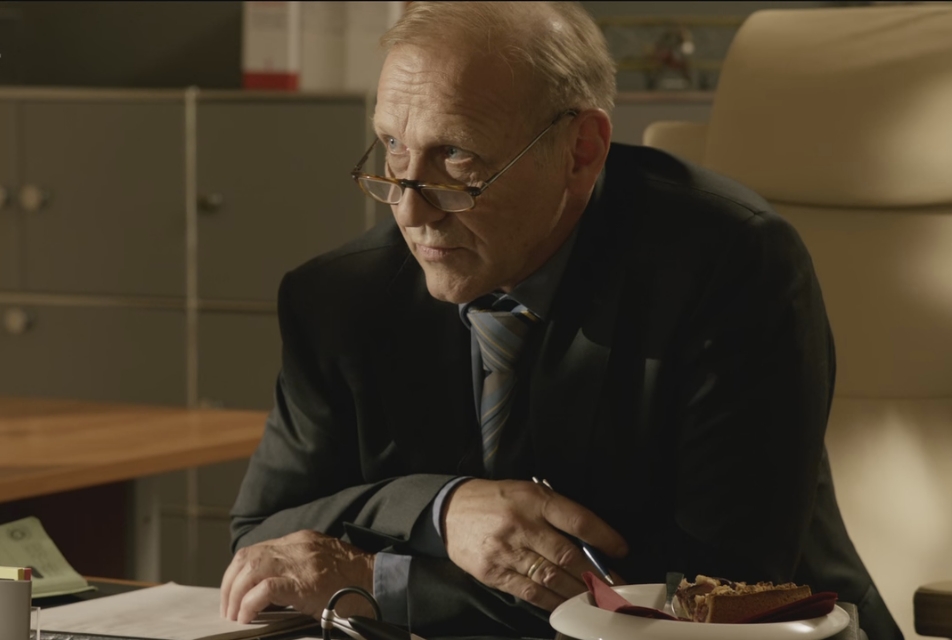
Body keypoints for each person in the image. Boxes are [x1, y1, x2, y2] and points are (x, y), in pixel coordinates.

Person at [220, 3, 902, 639]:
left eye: (455, 155)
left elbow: (717, 594)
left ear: (580, 150)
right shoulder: (340, 297)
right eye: (392, 146)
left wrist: (384, 582)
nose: (409, 209)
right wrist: (440, 509)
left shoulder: (729, 266)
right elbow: (262, 544)